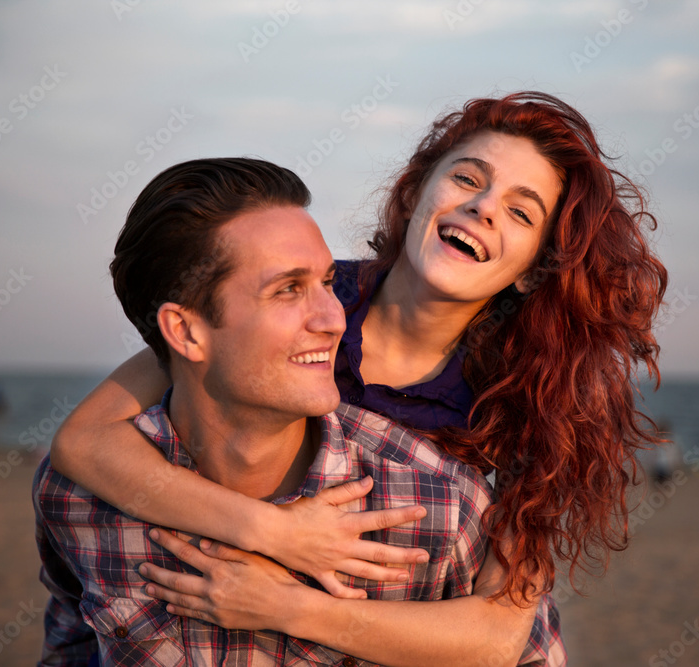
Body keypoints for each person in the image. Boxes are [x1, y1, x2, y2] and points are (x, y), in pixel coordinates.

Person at [51, 91, 667, 665]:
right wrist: (276, 533)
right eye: (466, 178)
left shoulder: (529, 398)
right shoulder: (304, 307)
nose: (482, 207)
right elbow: (85, 440)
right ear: (417, 194)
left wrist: (288, 607)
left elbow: (499, 634)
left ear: (534, 270)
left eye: (519, 211)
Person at [33, 157, 501, 666]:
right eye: (288, 289)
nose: (333, 318)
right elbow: (70, 645)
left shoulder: (440, 509)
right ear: (186, 332)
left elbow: (506, 646)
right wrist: (271, 532)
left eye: (326, 282)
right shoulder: (79, 495)